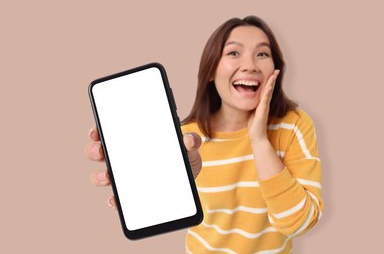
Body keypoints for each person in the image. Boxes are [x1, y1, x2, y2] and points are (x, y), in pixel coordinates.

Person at [85, 15, 323, 253]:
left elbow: (298, 224)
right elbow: (164, 207)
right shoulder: (187, 140)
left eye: (262, 54)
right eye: (233, 53)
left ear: (275, 70)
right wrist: (139, 190)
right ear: (210, 71)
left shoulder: (294, 125)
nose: (250, 65)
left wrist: (259, 141)